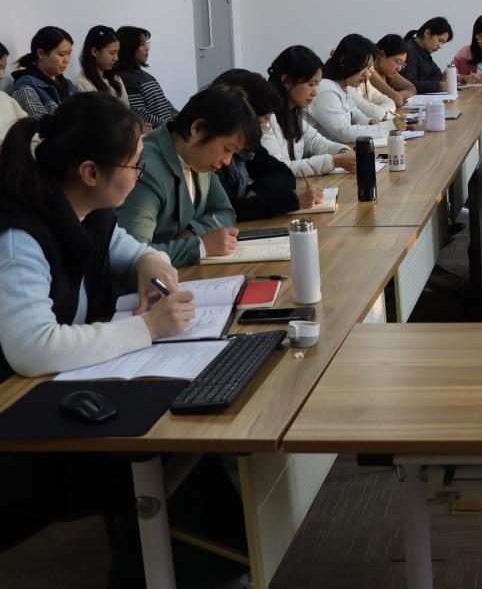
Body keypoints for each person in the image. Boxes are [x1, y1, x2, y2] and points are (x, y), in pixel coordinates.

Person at [0, 93, 196, 587]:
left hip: (62, 386)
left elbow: (139, 252)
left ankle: (208, 564)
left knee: (180, 434)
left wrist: (152, 265)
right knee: (145, 454)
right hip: (15, 414)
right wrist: (146, 329)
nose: (140, 175)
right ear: (90, 171)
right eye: (134, 165)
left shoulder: (90, 212)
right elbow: (32, 349)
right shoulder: (20, 236)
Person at [116, 84, 254, 267]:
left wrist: (193, 231)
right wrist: (200, 246)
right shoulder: (145, 169)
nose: (227, 161)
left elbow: (225, 212)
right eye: (226, 149)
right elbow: (133, 255)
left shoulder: (199, 157)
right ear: (197, 128)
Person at [212, 69, 323, 220]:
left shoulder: (246, 148)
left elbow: (285, 174)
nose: (263, 129)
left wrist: (255, 192)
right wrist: (293, 201)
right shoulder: (213, 155)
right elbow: (228, 210)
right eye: (261, 121)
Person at [261, 45, 357, 177]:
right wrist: (334, 161)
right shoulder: (264, 118)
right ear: (287, 81)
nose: (315, 92)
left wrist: (342, 151)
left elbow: (317, 143)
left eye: (317, 84)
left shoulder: (293, 113)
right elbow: (282, 168)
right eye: (311, 84)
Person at [307, 34, 403, 146]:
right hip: (326, 153)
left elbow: (356, 116)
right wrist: (388, 127)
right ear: (343, 61)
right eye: (363, 66)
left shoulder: (345, 88)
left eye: (368, 67)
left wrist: (370, 122)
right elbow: (344, 133)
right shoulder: (326, 89)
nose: (366, 74)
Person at [115, 25, 178, 130]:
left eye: (147, 43)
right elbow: (141, 114)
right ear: (129, 48)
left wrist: (181, 119)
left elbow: (166, 104)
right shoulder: (126, 78)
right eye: (142, 44)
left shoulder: (147, 76)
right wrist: (171, 125)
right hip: (157, 134)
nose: (147, 48)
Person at [10, 26, 78, 118]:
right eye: (61, 54)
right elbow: (40, 123)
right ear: (41, 53)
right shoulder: (25, 85)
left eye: (69, 54)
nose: (67, 60)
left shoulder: (68, 84)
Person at [352, 33, 416, 120]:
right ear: (381, 55)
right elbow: (397, 100)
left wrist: (397, 95)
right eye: (398, 62)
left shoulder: (388, 71)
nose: (399, 69)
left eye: (402, 64)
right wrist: (396, 95)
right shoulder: (369, 73)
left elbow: (411, 88)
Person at [74, 25, 129, 105]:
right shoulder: (82, 84)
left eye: (117, 53)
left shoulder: (116, 79)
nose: (116, 58)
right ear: (95, 52)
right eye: (112, 53)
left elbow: (126, 108)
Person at [400, 17, 453, 93]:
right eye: (440, 40)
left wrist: (427, 83)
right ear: (427, 33)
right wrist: (438, 86)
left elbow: (437, 74)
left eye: (443, 43)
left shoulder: (424, 52)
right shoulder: (409, 51)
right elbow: (408, 84)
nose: (440, 46)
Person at [0, 41, 26, 139]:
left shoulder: (7, 100)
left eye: (3, 68)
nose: (2, 75)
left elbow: (30, 132)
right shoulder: (25, 86)